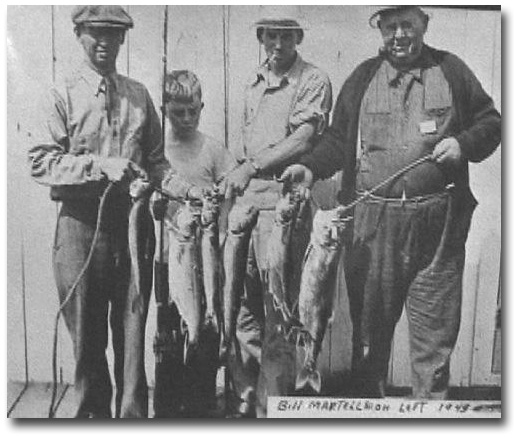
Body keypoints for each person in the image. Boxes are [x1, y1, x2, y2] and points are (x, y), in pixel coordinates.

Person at [281, 6, 501, 399]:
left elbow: (492, 123)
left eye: (407, 25)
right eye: (390, 27)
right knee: (369, 342)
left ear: (424, 25)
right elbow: (336, 141)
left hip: (438, 226)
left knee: (433, 343)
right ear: (380, 30)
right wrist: (310, 169)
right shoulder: (363, 77)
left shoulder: (452, 70)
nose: (399, 35)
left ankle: (429, 416)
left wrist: (462, 144)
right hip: (372, 226)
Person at [28, 6, 196, 418]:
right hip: (80, 228)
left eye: (113, 34)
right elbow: (40, 162)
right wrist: (100, 166)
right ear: (78, 34)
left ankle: (132, 419)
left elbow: (156, 162)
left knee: (133, 332)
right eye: (94, 33)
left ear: (123, 39)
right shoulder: (60, 93)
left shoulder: (139, 96)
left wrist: (185, 191)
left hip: (133, 226)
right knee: (86, 337)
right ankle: (92, 418)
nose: (103, 42)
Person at [219, 6, 332, 417]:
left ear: (298, 38)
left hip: (282, 214)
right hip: (245, 210)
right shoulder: (251, 85)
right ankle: (246, 402)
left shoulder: (313, 80)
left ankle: (274, 411)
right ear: (261, 37)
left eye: (287, 36)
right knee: (243, 312)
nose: (279, 44)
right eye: (271, 36)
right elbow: (242, 152)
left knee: (279, 317)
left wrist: (251, 167)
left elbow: (303, 139)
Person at [151, 70, 236, 417]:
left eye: (193, 111)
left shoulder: (213, 149)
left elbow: (232, 190)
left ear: (202, 107)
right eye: (177, 112)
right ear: (164, 109)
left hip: (205, 264)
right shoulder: (157, 152)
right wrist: (155, 208)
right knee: (167, 346)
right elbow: (142, 199)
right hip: (166, 261)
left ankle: (201, 414)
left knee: (204, 340)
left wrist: (219, 200)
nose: (186, 119)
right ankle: (168, 416)